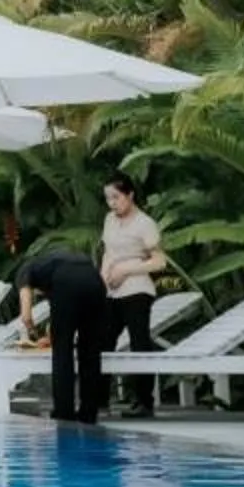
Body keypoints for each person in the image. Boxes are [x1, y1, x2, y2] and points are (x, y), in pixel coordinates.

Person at [10, 240, 113, 424]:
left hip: (67, 281)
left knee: (62, 352)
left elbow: (26, 316)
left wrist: (32, 331)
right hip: (94, 281)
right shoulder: (53, 263)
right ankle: (89, 412)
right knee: (90, 351)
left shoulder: (26, 269)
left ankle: (64, 411)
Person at [99, 173, 170, 418]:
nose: (112, 203)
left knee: (139, 343)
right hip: (112, 290)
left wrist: (126, 269)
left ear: (130, 195)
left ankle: (144, 401)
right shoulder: (110, 220)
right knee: (103, 342)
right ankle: (99, 400)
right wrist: (103, 278)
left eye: (116, 197)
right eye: (108, 198)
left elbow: (159, 261)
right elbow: (108, 252)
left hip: (137, 289)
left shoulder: (144, 223)